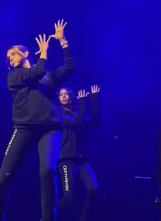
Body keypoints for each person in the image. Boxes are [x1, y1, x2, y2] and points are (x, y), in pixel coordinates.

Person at [0, 20, 73, 221]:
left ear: (25, 53)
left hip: (50, 129)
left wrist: (63, 42)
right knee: (4, 178)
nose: (10, 58)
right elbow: (35, 73)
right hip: (24, 127)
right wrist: (44, 54)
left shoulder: (47, 76)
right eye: (8, 57)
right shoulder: (14, 75)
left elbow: (70, 67)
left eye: (13, 54)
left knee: (47, 171)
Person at [57, 85, 100, 221]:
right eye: (61, 95)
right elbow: (76, 123)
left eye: (66, 94)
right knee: (68, 200)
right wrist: (82, 103)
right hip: (66, 160)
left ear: (71, 97)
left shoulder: (77, 114)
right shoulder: (58, 114)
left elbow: (94, 121)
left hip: (82, 160)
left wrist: (94, 98)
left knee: (93, 190)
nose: (64, 96)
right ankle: (47, 215)